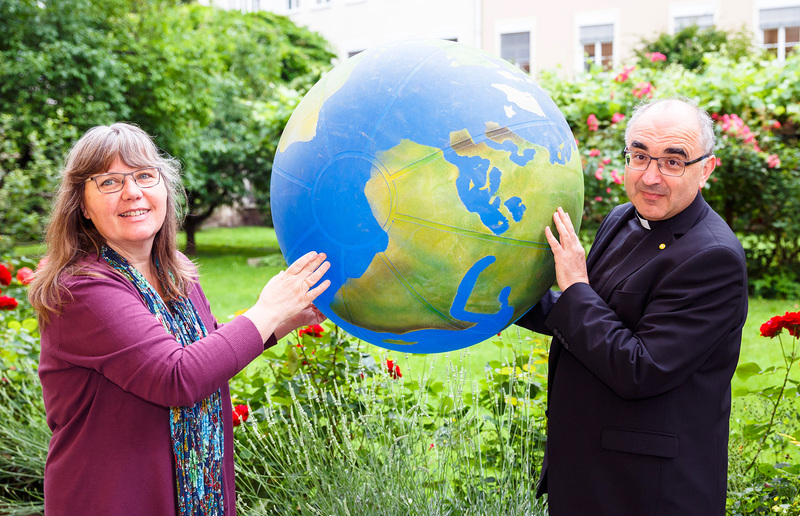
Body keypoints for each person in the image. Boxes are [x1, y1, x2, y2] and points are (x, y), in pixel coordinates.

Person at [28, 123, 331, 515]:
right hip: (111, 501)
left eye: (144, 175)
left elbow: (206, 354)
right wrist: (267, 309)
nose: (132, 191)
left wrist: (283, 320)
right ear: (83, 206)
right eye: (109, 182)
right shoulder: (82, 290)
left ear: (164, 188)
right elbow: (177, 376)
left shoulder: (176, 272)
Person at [516, 98, 748, 515]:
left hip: (649, 491)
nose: (650, 177)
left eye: (673, 162)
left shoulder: (714, 258)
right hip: (591, 474)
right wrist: (505, 302)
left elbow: (640, 369)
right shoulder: (623, 217)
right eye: (640, 156)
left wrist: (576, 285)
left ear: (705, 170)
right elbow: (589, 320)